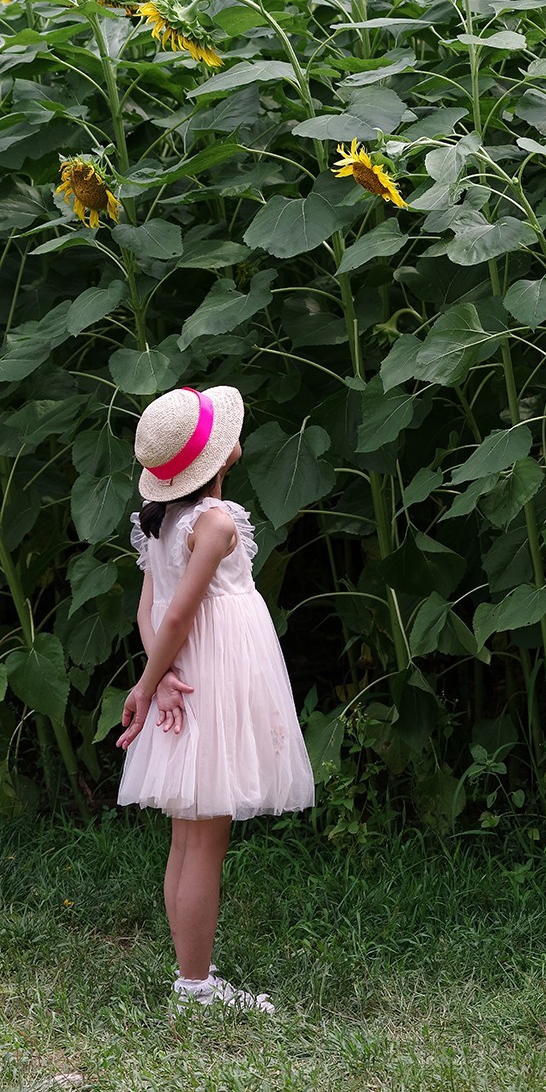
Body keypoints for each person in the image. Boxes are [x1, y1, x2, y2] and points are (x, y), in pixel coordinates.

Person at [115, 384, 315, 1013]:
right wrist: (150, 684)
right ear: (221, 458)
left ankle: (189, 975)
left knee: (186, 836)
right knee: (204, 841)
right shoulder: (217, 524)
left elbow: (149, 611)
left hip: (188, 675)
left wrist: (161, 673)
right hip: (215, 681)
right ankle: (196, 985)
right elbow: (174, 615)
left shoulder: (163, 521)